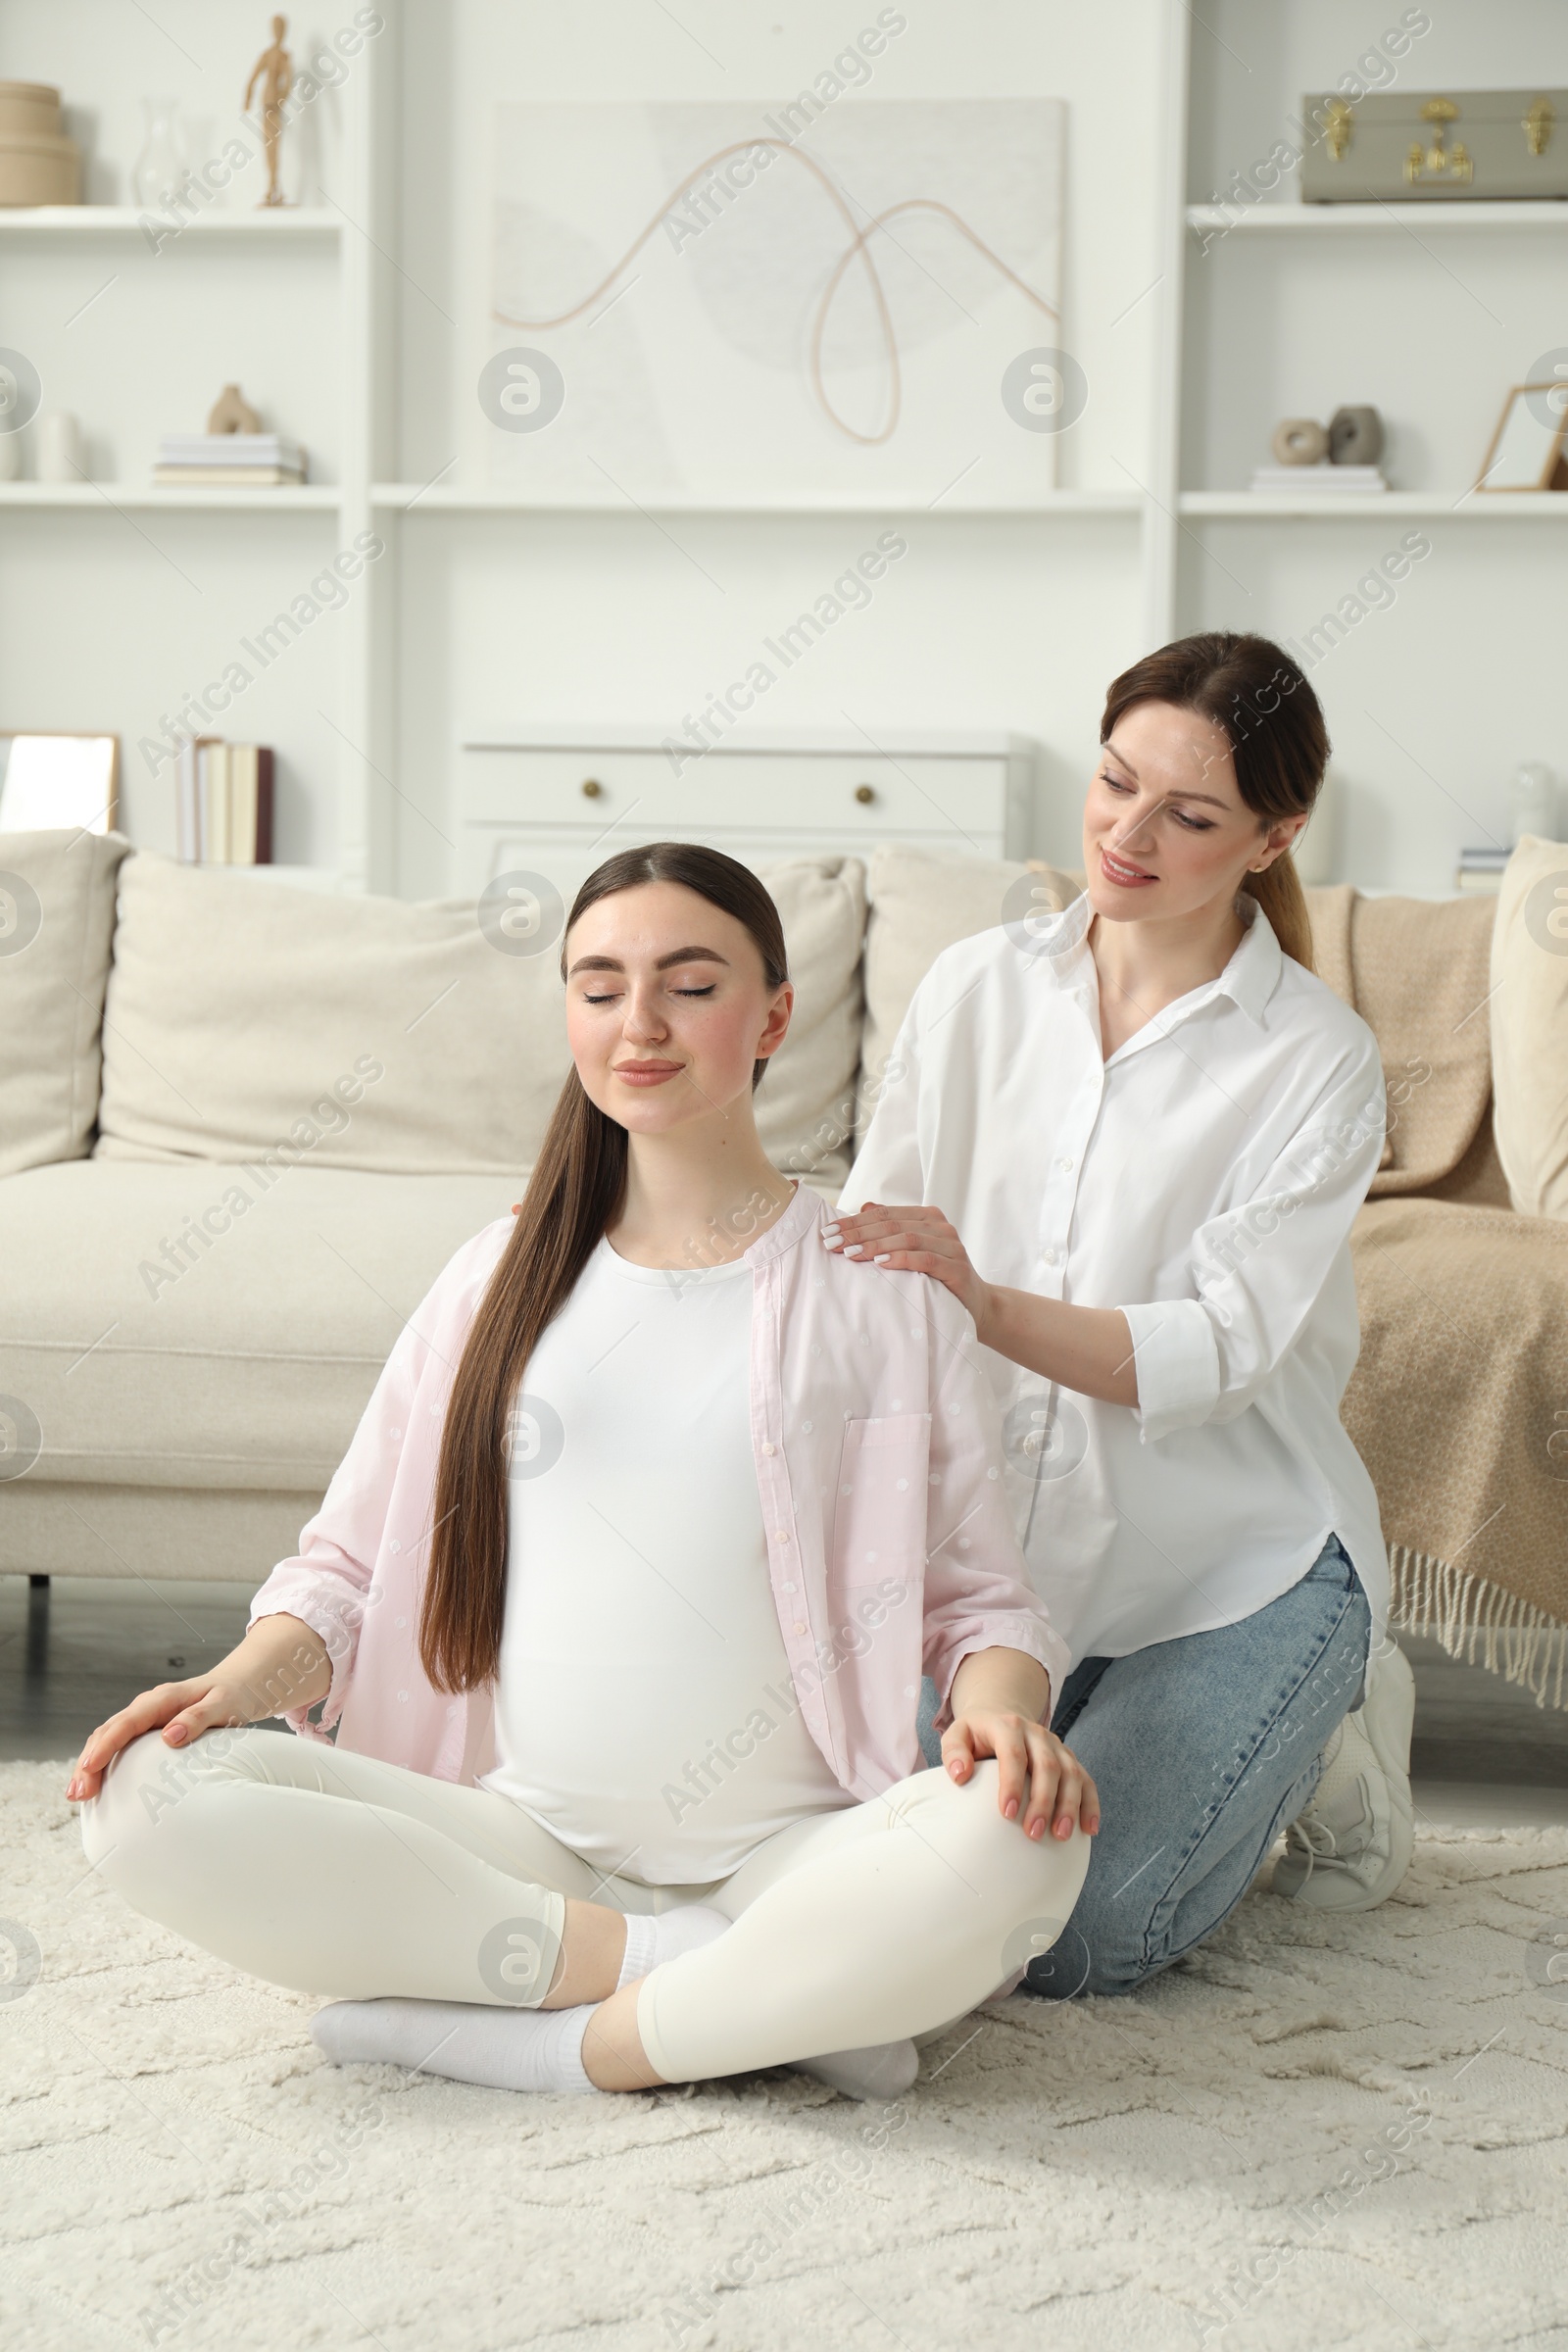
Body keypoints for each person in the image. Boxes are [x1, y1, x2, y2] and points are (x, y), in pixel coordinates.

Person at [69, 844, 1097, 2100]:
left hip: (794, 1849)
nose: (640, 1025)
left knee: (1027, 1847)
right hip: (517, 1848)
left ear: (775, 1013)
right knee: (144, 1794)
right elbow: (343, 1569)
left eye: (690, 984)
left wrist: (1003, 1714)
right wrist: (226, 1689)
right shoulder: (494, 1277)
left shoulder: (876, 1283)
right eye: (599, 987)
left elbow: (982, 1601)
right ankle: (731, 1986)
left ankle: (557, 2045)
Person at [830, 631, 1415, 2002]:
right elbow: (872, 1254)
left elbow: (1210, 1355)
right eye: (1113, 783)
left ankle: (1332, 1733)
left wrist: (977, 1294)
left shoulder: (1315, 1062)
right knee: (899, 1878)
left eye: (1191, 815)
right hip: (994, 1579)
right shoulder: (978, 987)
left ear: (1273, 836)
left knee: (1079, 1940)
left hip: (1226, 1570)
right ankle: (1110, 1718)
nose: (1128, 834)